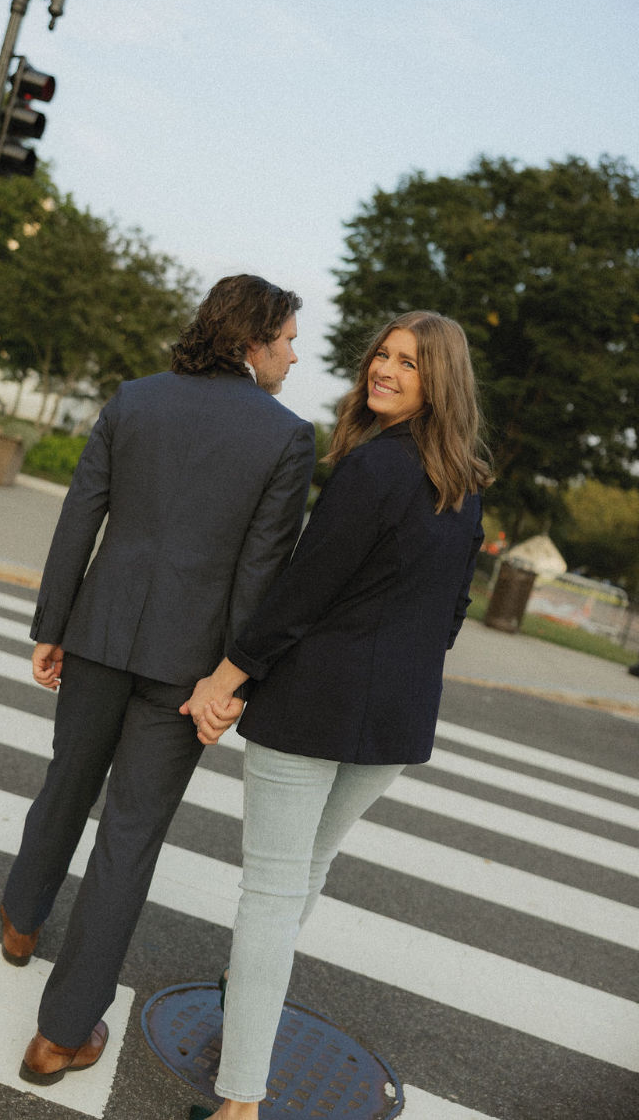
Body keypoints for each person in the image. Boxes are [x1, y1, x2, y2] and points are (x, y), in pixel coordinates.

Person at [0, 273, 315, 1085]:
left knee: (67, 780)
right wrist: (231, 683)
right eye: (287, 340)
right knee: (130, 838)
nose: (293, 355)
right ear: (253, 341)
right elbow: (260, 574)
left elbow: (81, 514)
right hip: (187, 670)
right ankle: (59, 1035)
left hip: (99, 634)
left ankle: (20, 920)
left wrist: (52, 625)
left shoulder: (135, 399)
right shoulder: (286, 438)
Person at [181, 310, 494, 1120]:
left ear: (440, 381)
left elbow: (303, 590)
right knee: (303, 876)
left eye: (409, 363)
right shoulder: (465, 484)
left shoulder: (375, 467)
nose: (384, 370)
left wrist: (226, 677)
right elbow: (451, 613)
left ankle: (240, 1101)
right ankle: (246, 997)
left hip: (313, 706)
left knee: (271, 894)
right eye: (382, 355)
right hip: (393, 721)